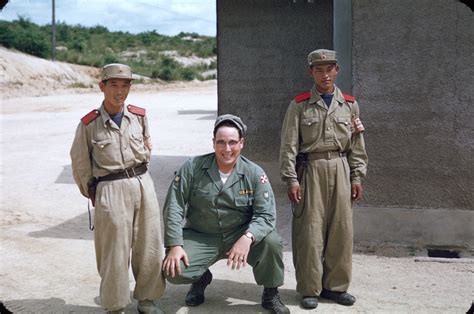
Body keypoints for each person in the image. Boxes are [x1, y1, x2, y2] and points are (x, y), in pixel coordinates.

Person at [162, 114, 289, 314]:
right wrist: (175, 245)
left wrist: (248, 237)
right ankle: (200, 278)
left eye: (232, 142)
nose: (227, 149)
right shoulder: (193, 167)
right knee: (173, 269)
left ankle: (271, 293)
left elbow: (266, 215)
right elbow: (174, 206)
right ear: (213, 143)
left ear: (242, 143)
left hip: (240, 233)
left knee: (272, 242)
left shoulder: (254, 173)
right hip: (202, 235)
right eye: (221, 142)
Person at [70, 63, 165, 314]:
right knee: (114, 252)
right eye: (114, 85)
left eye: (125, 85)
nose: (120, 91)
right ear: (102, 86)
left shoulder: (139, 116)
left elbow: (147, 148)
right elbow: (80, 164)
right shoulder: (89, 124)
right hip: (110, 188)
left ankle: (147, 300)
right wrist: (94, 192)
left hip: (143, 183)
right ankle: (114, 306)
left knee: (150, 246)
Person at [279, 49, 368, 309]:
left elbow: (357, 145)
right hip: (311, 170)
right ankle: (309, 289)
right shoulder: (299, 104)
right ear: (311, 72)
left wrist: (356, 176)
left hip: (341, 167)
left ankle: (336, 288)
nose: (325, 74)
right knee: (310, 232)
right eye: (319, 69)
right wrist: (291, 179)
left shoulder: (350, 104)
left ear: (336, 70)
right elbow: (288, 146)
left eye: (329, 68)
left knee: (341, 231)